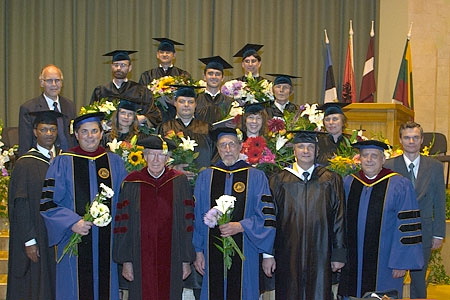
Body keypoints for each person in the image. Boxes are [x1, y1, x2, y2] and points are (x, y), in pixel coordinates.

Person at [40, 112, 128, 300]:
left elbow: (124, 204)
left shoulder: (114, 162)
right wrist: (72, 222)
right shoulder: (63, 162)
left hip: (107, 243)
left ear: (101, 133)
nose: (90, 136)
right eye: (85, 132)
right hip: (74, 239)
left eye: (94, 131)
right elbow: (48, 202)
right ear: (77, 134)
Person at [193, 127, 276, 300]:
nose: (228, 150)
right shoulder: (206, 177)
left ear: (240, 147)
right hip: (211, 252)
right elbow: (198, 215)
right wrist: (198, 251)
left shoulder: (256, 176)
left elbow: (266, 215)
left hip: (247, 250)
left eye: (232, 144)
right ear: (217, 148)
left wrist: (241, 226)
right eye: (223, 145)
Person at [338, 140, 424, 298]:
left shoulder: (399, 185)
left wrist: (401, 263)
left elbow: (407, 227)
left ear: (383, 160)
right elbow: (339, 223)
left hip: (386, 264)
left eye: (374, 156)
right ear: (360, 159)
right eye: (365, 156)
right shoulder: (349, 183)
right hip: (352, 263)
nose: (369, 159)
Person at [266, 131, 346, 300]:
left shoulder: (331, 179)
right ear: (294, 151)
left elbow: (339, 217)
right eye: (301, 146)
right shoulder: (278, 180)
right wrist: (268, 254)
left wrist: (338, 253)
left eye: (311, 147)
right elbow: (270, 219)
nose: (306, 151)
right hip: (287, 251)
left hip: (321, 251)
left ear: (317, 151)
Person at [113, 135, 195, 300]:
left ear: (168, 158)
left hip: (173, 256)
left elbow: (187, 224)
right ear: (144, 156)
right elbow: (123, 225)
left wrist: (186, 260)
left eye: (161, 155)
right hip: (139, 257)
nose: (156, 159)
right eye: (151, 154)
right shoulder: (131, 183)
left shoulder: (179, 181)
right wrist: (126, 261)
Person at [384, 121, 446, 299]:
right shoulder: (389, 166)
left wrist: (438, 234)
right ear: (400, 140)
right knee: (394, 278)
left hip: (424, 232)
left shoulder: (434, 167)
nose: (411, 141)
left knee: (419, 281)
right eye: (407, 138)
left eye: (415, 137)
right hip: (396, 233)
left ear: (422, 140)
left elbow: (439, 202)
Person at [7, 110, 62, 300]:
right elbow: (20, 205)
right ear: (35, 132)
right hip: (36, 234)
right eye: (44, 129)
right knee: (35, 286)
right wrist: (29, 240)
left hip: (56, 235)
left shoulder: (62, 160)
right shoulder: (25, 164)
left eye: (52, 129)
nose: (49, 134)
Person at [90, 50, 161, 127]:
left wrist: (142, 118)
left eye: (123, 65)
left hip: (135, 133)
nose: (119, 68)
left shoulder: (141, 91)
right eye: (116, 65)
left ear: (129, 68)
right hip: (108, 134)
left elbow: (155, 114)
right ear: (111, 66)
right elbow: (92, 114)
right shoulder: (101, 91)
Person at [18, 64, 76, 156]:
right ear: (41, 83)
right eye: (49, 80)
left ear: (62, 83)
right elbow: (25, 144)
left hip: (68, 159)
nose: (54, 84)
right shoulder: (29, 108)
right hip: (42, 161)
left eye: (57, 80)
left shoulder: (69, 105)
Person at [158, 86, 214, 171]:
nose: (186, 105)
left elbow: (215, 156)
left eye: (190, 102)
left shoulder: (206, 128)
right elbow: (158, 156)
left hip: (202, 179)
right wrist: (172, 169)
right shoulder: (165, 127)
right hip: (173, 179)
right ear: (175, 103)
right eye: (182, 101)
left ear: (196, 104)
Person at [195, 56, 234, 124]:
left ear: (222, 78)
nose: (214, 77)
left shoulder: (230, 102)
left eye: (217, 74)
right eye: (210, 73)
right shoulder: (196, 99)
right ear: (204, 77)